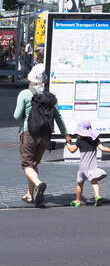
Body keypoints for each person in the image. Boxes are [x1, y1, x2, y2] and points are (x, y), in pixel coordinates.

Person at [13, 63, 66, 206]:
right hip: (45, 135)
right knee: (33, 163)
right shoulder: (51, 96)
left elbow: (17, 115)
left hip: (29, 133)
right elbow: (58, 117)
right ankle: (30, 194)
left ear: (31, 79)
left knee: (26, 164)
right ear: (44, 80)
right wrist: (65, 134)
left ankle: (39, 184)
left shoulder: (24, 94)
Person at [65, 118, 106, 206]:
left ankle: (78, 201)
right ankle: (97, 196)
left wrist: (67, 143)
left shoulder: (80, 141)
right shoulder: (95, 139)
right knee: (94, 182)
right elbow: (102, 148)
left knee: (79, 184)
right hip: (92, 167)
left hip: (83, 167)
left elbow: (72, 150)